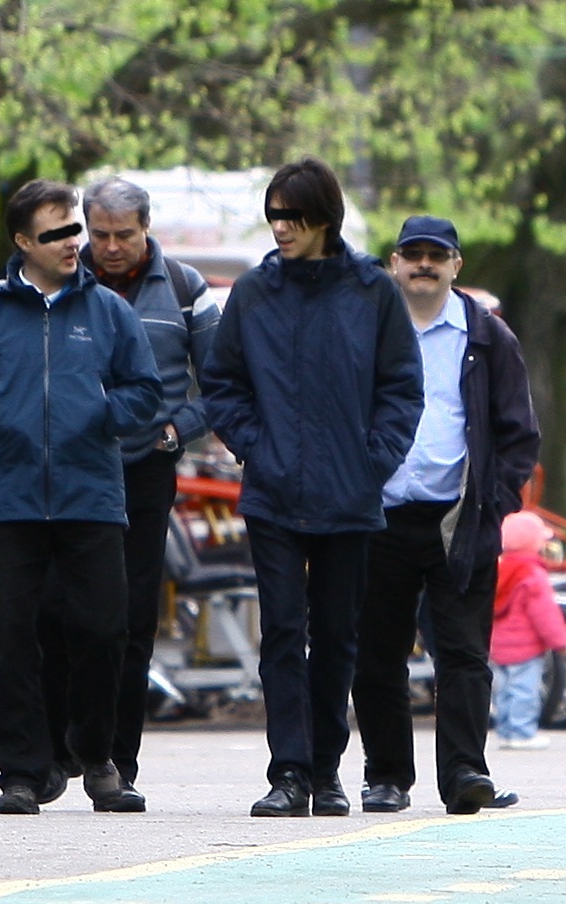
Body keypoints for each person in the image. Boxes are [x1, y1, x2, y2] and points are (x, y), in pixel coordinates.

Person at [0, 179, 163, 815]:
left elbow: (146, 393)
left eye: (73, 231)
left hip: (92, 499)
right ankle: (22, 773)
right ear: (23, 242)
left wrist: (101, 408)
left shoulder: (110, 312)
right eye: (55, 233)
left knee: (103, 631)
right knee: (11, 638)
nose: (72, 243)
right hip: (11, 503)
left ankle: (96, 757)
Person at [201, 157, 424, 817]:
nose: (280, 229)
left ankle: (325, 772)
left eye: (291, 217)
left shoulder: (371, 291)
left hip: (349, 496)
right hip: (273, 492)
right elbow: (222, 383)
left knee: (336, 637)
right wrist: (254, 447)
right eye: (272, 217)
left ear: (324, 218)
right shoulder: (253, 292)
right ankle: (287, 774)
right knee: (280, 632)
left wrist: (371, 460)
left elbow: (401, 387)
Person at [38, 176, 220, 812]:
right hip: (69, 468)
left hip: (146, 468)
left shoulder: (187, 288)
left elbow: (222, 381)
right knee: (57, 609)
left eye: (125, 235)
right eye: (101, 234)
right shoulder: (57, 280)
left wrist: (180, 431)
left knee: (130, 616)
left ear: (147, 228)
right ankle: (55, 752)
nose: (111, 247)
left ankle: (116, 757)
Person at [350, 215, 541, 815]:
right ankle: (386, 777)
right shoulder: (365, 329)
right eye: (414, 254)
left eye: (438, 255)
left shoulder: (488, 338)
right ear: (393, 263)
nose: (425, 264)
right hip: (378, 516)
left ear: (457, 265)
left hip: (458, 520)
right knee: (376, 653)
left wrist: (494, 503)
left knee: (462, 653)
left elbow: (519, 436)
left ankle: (464, 772)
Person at [490, 510, 566, 751]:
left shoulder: (498, 571)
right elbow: (545, 613)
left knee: (503, 690)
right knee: (524, 691)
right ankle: (522, 732)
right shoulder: (532, 574)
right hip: (525, 648)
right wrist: (561, 642)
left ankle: (505, 730)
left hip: (498, 645)